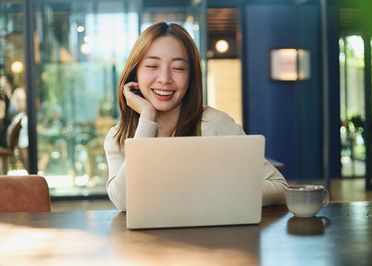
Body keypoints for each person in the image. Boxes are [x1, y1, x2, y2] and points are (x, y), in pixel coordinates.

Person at [104, 22, 287, 211]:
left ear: (191, 77)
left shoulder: (214, 123)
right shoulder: (118, 136)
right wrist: (148, 118)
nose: (165, 78)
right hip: (146, 241)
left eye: (178, 68)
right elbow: (124, 201)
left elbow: (280, 187)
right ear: (135, 73)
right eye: (152, 65)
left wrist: (208, 193)